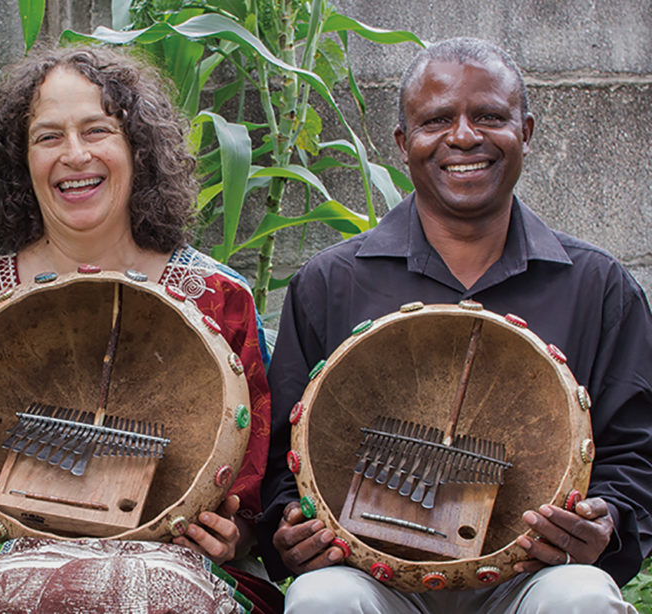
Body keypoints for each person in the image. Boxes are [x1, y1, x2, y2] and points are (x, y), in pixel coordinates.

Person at [257, 37, 652, 613]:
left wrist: (606, 520)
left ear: (527, 131)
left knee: (582, 597)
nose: (464, 136)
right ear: (402, 143)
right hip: (374, 575)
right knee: (324, 598)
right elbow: (280, 463)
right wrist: (290, 532)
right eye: (437, 119)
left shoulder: (598, 286)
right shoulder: (331, 282)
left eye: (490, 116)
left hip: (532, 576)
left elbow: (634, 453)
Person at [0, 47, 283, 613]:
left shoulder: (220, 299)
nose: (74, 155)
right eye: (48, 137)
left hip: (170, 570)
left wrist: (234, 534)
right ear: (19, 160)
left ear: (137, 149)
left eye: (97, 130)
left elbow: (252, 481)